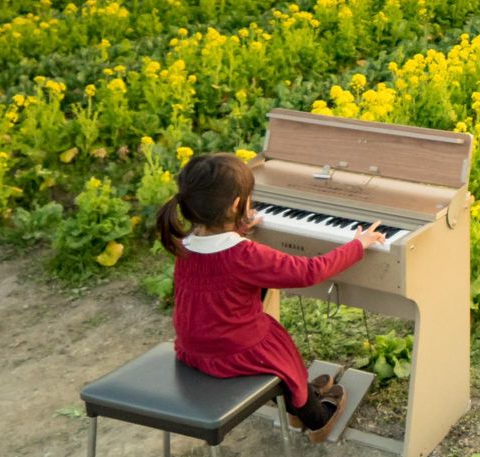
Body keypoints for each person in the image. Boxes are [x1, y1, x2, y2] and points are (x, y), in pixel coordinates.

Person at [154, 151, 386, 439]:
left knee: (263, 333)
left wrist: (239, 227)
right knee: (279, 352)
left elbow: (223, 271)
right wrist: (357, 244)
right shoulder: (243, 254)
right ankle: (315, 418)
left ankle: (300, 396)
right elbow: (308, 272)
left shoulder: (186, 243)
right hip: (233, 353)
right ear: (238, 204)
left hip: (195, 349)